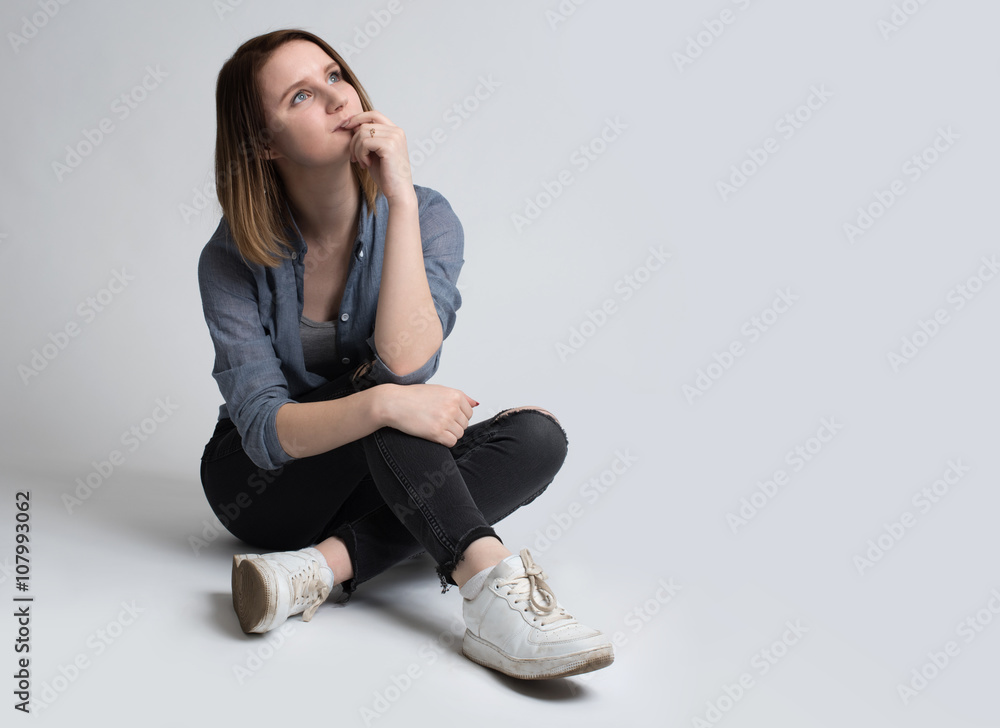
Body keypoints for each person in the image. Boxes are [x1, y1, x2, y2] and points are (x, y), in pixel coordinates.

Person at [197, 28, 614, 680]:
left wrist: (399, 198)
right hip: (261, 488)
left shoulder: (428, 215)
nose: (338, 99)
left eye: (335, 75)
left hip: (369, 476)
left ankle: (316, 570)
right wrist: (384, 404)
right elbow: (266, 433)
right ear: (264, 143)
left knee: (536, 439)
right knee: (393, 405)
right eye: (301, 95)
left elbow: (407, 361)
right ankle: (489, 592)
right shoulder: (230, 259)